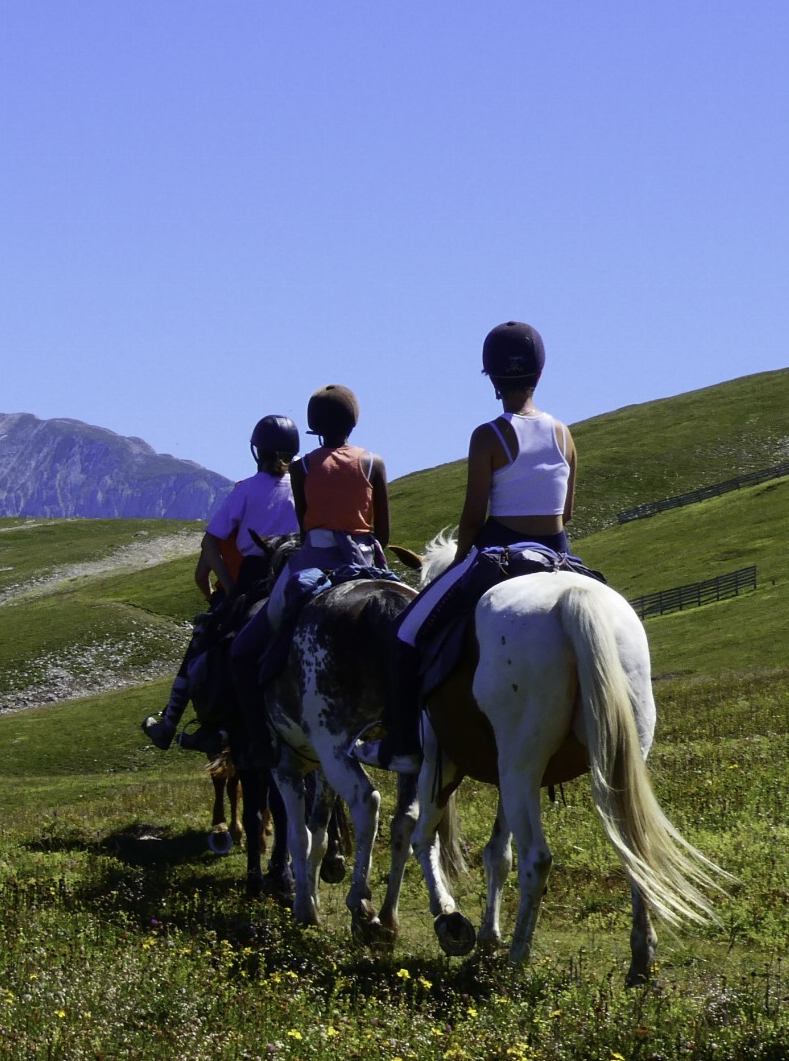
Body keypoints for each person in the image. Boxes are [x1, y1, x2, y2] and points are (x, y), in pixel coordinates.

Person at [351, 321, 577, 774]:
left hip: (499, 551)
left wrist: (458, 562)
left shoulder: (489, 436)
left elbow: (474, 517)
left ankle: (403, 745)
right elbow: (566, 512)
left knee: (405, 634)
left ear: (492, 378)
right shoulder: (563, 434)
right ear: (539, 373)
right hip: (558, 552)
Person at [228, 384, 392, 765]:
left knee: (241, 651)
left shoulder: (301, 469)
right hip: (368, 560)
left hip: (313, 562)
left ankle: (260, 742)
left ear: (314, 427)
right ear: (354, 421)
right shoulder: (375, 463)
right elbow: (383, 532)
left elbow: (304, 528)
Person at [141, 414, 301, 749]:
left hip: (256, 576)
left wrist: (230, 587)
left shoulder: (246, 490)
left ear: (257, 451)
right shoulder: (303, 488)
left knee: (205, 638)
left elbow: (210, 543)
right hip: (297, 573)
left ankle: (171, 722)